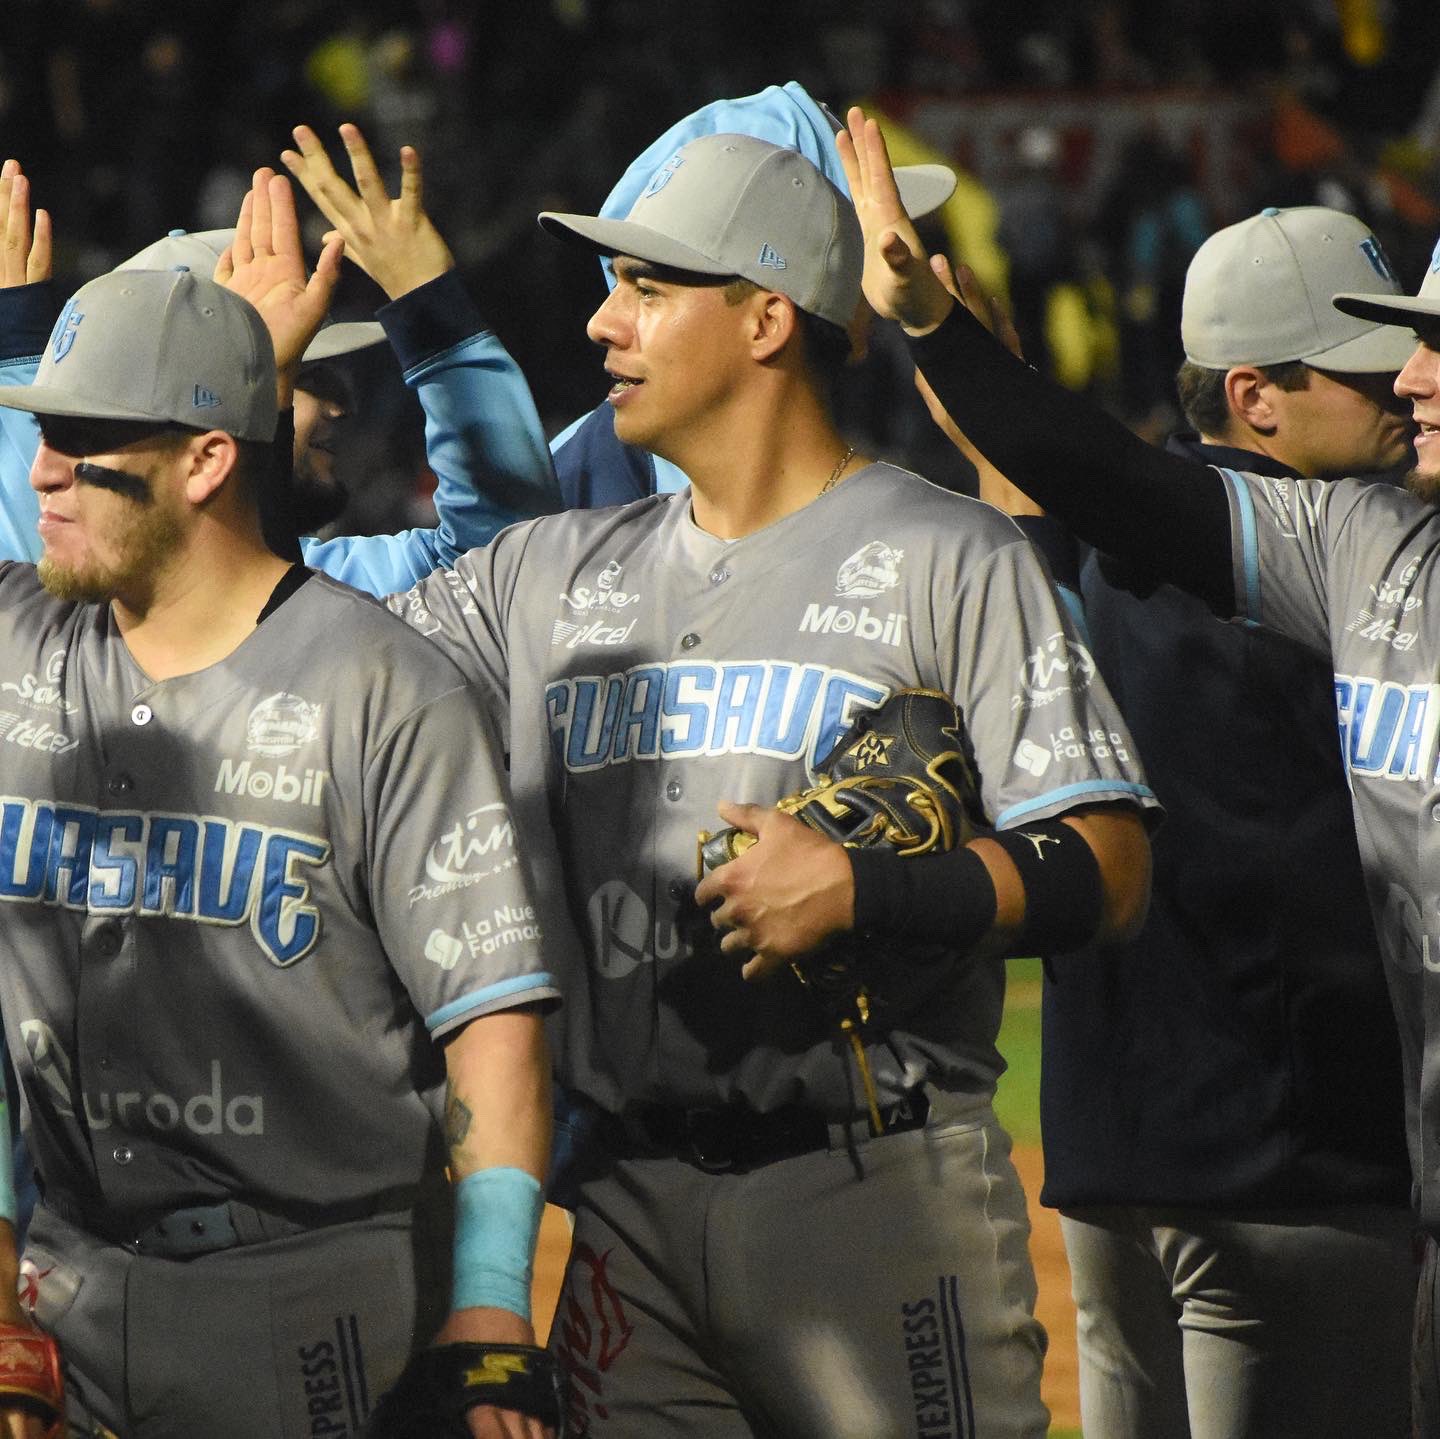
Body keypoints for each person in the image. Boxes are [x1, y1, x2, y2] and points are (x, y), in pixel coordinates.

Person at [385, 130, 1158, 1438]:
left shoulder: (942, 553)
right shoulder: (546, 575)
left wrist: (875, 885)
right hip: (624, 1201)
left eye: (646, 287)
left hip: (874, 1194)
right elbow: (299, 662)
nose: (601, 319)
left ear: (764, 317)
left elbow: (1112, 865)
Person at [838, 102, 1440, 1434]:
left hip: (1107, 1154)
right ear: (1254, 395)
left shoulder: (1080, 554)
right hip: (1296, 1164)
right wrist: (950, 340)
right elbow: (1052, 463)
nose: (1403, 389)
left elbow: (1040, 473)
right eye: (1366, 366)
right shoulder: (1348, 559)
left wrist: (950, 341)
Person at [0, 169, 560, 1439]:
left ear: (206, 458)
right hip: (71, 1276)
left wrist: (487, 1307)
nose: (42, 472)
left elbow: (495, 1016)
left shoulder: (388, 679)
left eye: (83, 438)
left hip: (319, 1291)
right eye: (37, 431)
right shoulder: (22, 643)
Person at [0, 145, 562, 592]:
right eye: (302, 372)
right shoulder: (72, 603)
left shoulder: (337, 587)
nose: (342, 406)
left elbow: (502, 567)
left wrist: (436, 316)